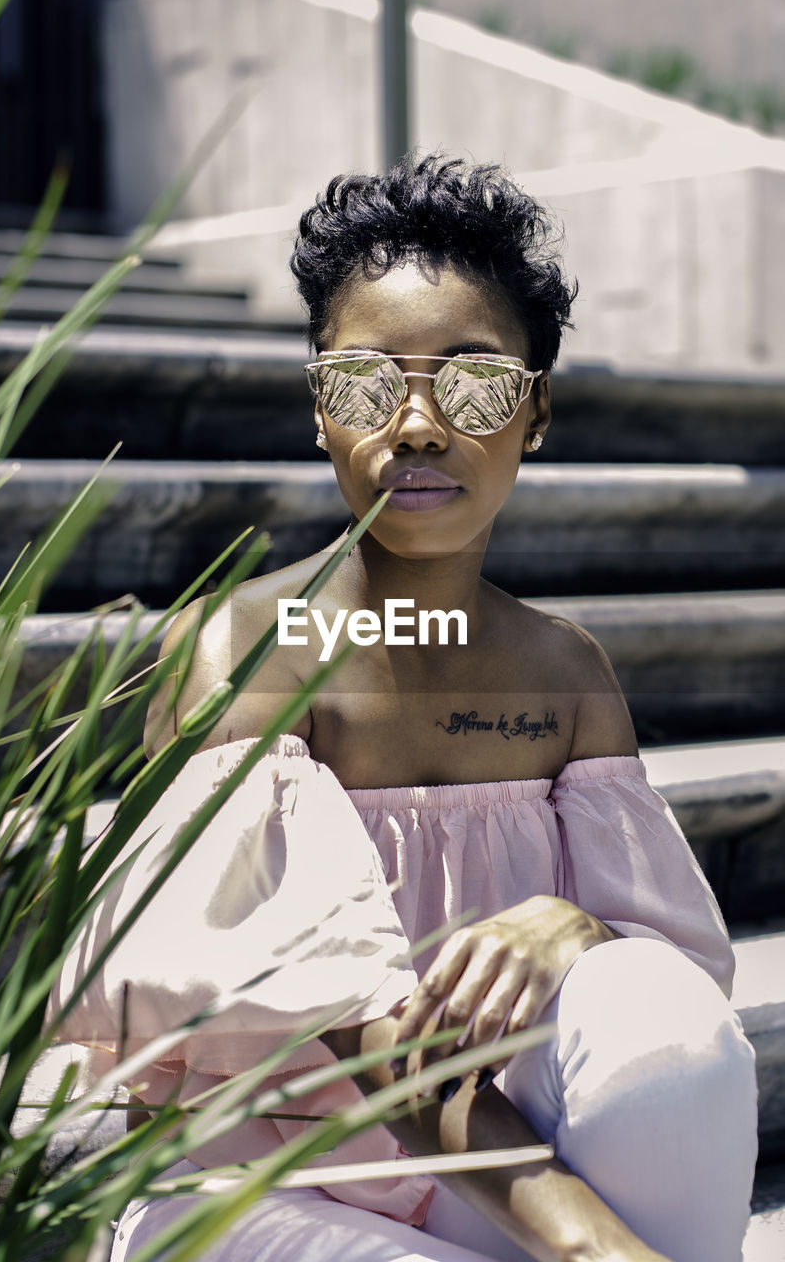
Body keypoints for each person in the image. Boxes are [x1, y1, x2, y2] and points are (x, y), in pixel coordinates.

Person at [51, 155, 758, 1262]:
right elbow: (339, 1032)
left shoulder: (562, 674)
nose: (418, 426)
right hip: (260, 1185)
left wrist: (577, 928)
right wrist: (593, 1244)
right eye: (369, 384)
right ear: (320, 413)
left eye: (473, 383)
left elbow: (674, 994)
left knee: (664, 1025)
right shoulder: (250, 652)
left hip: (493, 1174)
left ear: (535, 416)